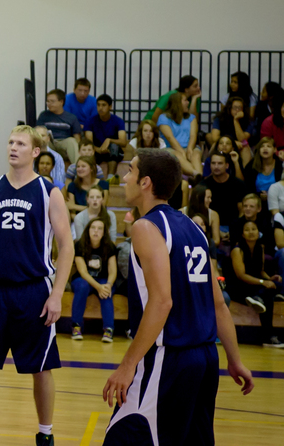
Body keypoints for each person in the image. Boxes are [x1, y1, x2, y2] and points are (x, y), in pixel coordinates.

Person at [101, 149, 254, 445]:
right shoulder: (195, 230)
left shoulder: (146, 227)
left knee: (123, 438)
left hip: (168, 358)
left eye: (130, 171)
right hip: (205, 359)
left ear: (145, 182)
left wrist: (127, 365)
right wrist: (234, 360)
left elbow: (162, 302)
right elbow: (218, 304)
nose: (125, 177)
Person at [0, 126, 74, 446]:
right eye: (10, 142)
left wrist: (56, 294)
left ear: (35, 152)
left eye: (21, 143)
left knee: (41, 368)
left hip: (33, 291)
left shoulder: (48, 192)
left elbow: (66, 247)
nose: (13, 147)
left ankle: (45, 434)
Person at [227, 221, 284, 348]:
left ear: (259, 233)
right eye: (247, 230)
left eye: (254, 229)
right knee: (267, 295)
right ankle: (269, 337)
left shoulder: (260, 248)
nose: (251, 232)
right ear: (242, 234)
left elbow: (261, 271)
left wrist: (269, 279)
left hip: (253, 284)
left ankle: (257, 298)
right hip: (237, 285)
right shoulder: (237, 250)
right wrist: (263, 282)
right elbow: (241, 276)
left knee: (276, 285)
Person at [70, 217, 118, 343]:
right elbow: (83, 272)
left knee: (106, 291)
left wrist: (108, 284)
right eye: (93, 228)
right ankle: (76, 326)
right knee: (82, 286)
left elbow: (113, 271)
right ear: (88, 230)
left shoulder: (110, 247)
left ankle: (108, 329)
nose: (96, 231)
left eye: (100, 229)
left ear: (104, 232)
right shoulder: (80, 245)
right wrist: (98, 287)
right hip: (83, 279)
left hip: (103, 279)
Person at [203, 151, 247, 239]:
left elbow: (242, 211)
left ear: (227, 165)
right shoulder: (203, 186)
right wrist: (216, 231)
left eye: (220, 163)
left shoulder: (238, 184)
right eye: (213, 163)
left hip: (234, 226)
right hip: (211, 227)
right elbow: (202, 212)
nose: (216, 166)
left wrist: (234, 230)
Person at [157, 93, 201, 177]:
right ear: (177, 103)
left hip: (189, 146)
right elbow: (170, 138)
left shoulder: (191, 118)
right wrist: (181, 152)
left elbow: (193, 135)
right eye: (185, 100)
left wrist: (189, 149)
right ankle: (197, 175)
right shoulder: (163, 117)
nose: (188, 103)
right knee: (177, 156)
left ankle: (199, 180)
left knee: (196, 155)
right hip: (170, 148)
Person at [37, 89, 83, 164]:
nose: (49, 104)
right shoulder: (43, 115)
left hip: (64, 144)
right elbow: (38, 132)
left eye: (52, 101)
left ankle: (78, 167)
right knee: (42, 139)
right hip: (49, 143)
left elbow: (77, 138)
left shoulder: (71, 117)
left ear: (61, 102)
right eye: (48, 101)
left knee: (72, 141)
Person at [86, 94, 127, 178]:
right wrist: (99, 150)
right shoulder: (90, 121)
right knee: (87, 149)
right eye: (98, 105)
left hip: (112, 151)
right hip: (96, 150)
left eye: (104, 105)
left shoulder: (118, 121)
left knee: (114, 146)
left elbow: (123, 142)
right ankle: (91, 177)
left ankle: (110, 177)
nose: (100, 108)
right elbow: (88, 142)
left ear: (110, 106)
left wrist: (109, 140)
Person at [207, 96, 253, 163]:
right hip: (224, 143)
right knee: (215, 145)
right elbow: (215, 137)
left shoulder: (248, 120)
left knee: (245, 148)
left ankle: (246, 172)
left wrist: (236, 120)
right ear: (229, 108)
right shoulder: (220, 118)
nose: (237, 110)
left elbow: (243, 139)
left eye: (239, 108)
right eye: (235, 108)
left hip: (240, 146)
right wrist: (233, 143)